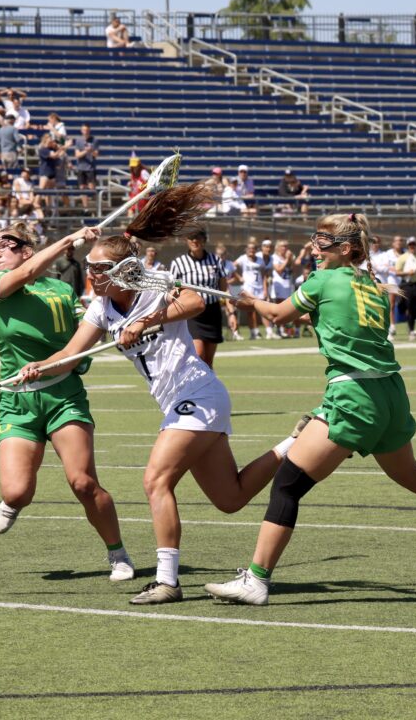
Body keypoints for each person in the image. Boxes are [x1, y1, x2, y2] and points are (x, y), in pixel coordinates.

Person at [204, 212, 416, 606]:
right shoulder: (371, 283)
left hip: (354, 395)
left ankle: (256, 579)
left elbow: (279, 316)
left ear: (345, 248)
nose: (313, 248)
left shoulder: (323, 280)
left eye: (321, 242)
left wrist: (249, 301)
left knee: (288, 484)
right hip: (390, 393)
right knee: (410, 472)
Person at [19, 198, 301, 604]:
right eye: (91, 267)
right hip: (178, 402)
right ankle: (297, 443)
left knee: (155, 480)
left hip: (198, 393)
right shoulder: (100, 306)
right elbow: (69, 354)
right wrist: (38, 367)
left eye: (99, 268)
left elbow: (195, 302)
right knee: (231, 498)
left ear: (121, 271)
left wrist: (144, 321)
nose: (92, 274)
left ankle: (167, 581)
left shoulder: (151, 283)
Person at [0, 222, 135, 583]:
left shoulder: (61, 289)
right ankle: (13, 503)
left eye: (6, 245)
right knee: (17, 492)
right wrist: (69, 240)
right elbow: (27, 274)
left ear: (26, 249)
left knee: (83, 483)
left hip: (63, 394)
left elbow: (81, 336)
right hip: (17, 403)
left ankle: (118, 553)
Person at [170, 228, 227, 368]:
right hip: (192, 312)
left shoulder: (215, 260)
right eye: (191, 238)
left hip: (212, 311)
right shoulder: (178, 263)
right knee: (199, 354)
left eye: (198, 238)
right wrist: (180, 287)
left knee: (208, 359)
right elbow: (174, 284)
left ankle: (209, 388)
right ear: (187, 241)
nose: (195, 241)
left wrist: (227, 305)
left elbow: (223, 284)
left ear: (204, 240)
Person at [233, 240, 268, 340]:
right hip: (248, 288)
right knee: (250, 311)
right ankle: (254, 332)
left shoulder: (260, 260)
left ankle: (268, 331)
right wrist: (238, 277)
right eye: (249, 248)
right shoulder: (242, 258)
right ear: (246, 250)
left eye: (253, 248)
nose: (251, 250)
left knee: (262, 309)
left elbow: (264, 275)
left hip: (259, 288)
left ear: (256, 250)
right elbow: (231, 266)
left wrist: (265, 289)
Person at [73, 123, 99, 211]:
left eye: (87, 130)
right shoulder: (78, 140)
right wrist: (85, 151)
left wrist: (91, 150)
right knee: (82, 188)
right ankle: (86, 208)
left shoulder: (94, 140)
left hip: (90, 168)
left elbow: (96, 154)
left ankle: (95, 206)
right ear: (81, 130)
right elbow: (77, 155)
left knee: (92, 188)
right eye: (84, 130)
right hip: (81, 167)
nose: (85, 132)